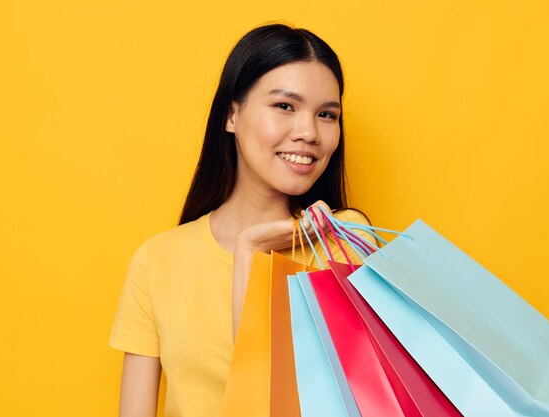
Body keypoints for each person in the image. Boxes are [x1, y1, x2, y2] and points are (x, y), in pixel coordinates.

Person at [109, 23, 374, 417]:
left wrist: (252, 255)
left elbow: (338, 403)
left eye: (326, 114)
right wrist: (253, 247)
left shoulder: (346, 242)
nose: (308, 132)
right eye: (285, 106)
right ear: (231, 115)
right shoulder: (158, 261)